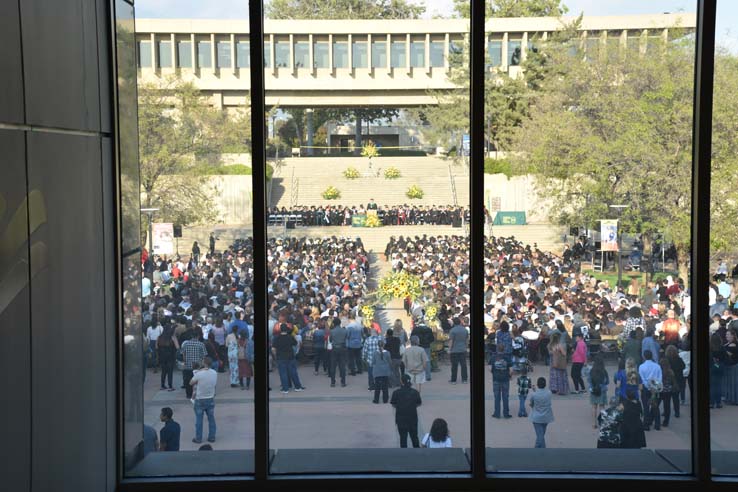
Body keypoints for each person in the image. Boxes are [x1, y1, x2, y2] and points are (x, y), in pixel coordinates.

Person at [189, 357, 217, 444]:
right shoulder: (214, 373)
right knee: (211, 419)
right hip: (210, 398)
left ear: (204, 363)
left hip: (200, 399)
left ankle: (198, 438)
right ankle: (212, 437)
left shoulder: (199, 374)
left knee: (199, 420)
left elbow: (191, 383)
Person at [390, 374, 422, 448]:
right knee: (414, 437)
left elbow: (393, 404)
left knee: (403, 438)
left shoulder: (396, 392)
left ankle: (404, 456)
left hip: (401, 419)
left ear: (401, 382)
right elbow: (419, 403)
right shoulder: (415, 392)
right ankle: (417, 453)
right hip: (413, 418)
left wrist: (401, 407)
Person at [272, 323, 305, 394]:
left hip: (281, 357)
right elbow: (296, 344)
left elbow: (273, 349)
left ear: (280, 330)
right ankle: (298, 387)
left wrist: (275, 356)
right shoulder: (290, 337)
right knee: (293, 372)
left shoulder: (277, 338)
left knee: (283, 373)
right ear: (286, 329)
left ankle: (285, 388)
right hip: (290, 357)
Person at [639, 350, 662, 431]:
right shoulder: (657, 366)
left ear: (644, 356)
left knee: (646, 407)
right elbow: (659, 378)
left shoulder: (641, 366)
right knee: (655, 406)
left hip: (646, 388)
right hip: (655, 388)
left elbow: (642, 379)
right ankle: (657, 424)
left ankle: (646, 424)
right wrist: (655, 386)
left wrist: (648, 385)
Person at [528, 377, 554, 448]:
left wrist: (534, 391)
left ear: (537, 384)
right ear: (545, 385)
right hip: (546, 417)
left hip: (536, 417)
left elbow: (531, 404)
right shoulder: (549, 393)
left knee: (540, 436)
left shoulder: (534, 394)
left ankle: (541, 451)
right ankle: (537, 448)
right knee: (541, 435)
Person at [181, 334, 206, 399]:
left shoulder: (186, 344)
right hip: (198, 366)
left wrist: (185, 361)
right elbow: (204, 356)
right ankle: (198, 394)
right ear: (198, 336)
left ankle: (188, 394)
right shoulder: (201, 344)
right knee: (199, 381)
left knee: (188, 381)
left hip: (188, 366)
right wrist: (203, 365)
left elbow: (183, 354)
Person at [492, 344, 513, 419]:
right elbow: (511, 370)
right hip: (505, 379)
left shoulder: (493, 357)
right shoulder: (507, 357)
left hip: (496, 379)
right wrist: (510, 376)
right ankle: (506, 414)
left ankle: (497, 413)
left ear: (497, 349)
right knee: (505, 397)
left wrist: (494, 372)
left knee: (497, 397)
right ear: (504, 349)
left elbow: (489, 368)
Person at [588, 354, 609, 429]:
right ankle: (603, 423)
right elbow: (607, 382)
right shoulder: (604, 371)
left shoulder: (591, 371)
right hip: (602, 391)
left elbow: (589, 381)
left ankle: (594, 423)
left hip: (593, 391)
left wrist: (591, 387)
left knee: (594, 407)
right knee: (602, 407)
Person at [665, 345, 685, 418]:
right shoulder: (679, 359)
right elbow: (684, 366)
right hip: (678, 381)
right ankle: (677, 412)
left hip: (669, 381)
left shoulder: (666, 360)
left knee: (667, 399)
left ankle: (666, 412)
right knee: (676, 398)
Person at [157, 325, 179, 391]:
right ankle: (170, 386)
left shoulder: (159, 337)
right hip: (170, 356)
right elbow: (177, 347)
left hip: (162, 356)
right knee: (170, 372)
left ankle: (162, 385)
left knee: (163, 371)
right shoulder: (172, 337)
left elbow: (156, 347)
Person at [548, 331, 570, 395]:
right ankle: (561, 390)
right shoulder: (559, 345)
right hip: (559, 363)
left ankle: (554, 388)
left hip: (553, 363)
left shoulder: (549, 345)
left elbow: (550, 353)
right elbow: (564, 354)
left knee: (554, 376)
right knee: (561, 376)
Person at [448, 317, 469, 384]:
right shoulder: (465, 330)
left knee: (454, 365)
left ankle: (453, 380)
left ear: (454, 322)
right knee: (463, 365)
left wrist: (449, 349)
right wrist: (466, 347)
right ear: (460, 322)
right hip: (463, 349)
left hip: (454, 350)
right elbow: (467, 340)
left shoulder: (452, 330)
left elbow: (451, 341)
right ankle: (464, 379)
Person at [329, 317, 348, 388]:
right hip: (342, 348)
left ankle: (332, 382)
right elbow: (346, 338)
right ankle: (343, 382)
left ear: (334, 323)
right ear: (340, 323)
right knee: (342, 366)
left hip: (334, 349)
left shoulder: (332, 331)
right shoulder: (344, 330)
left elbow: (330, 340)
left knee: (333, 366)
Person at [371, 339, 392, 404]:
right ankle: (385, 399)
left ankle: (376, 400)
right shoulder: (388, 353)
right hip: (385, 371)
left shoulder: (374, 353)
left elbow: (373, 362)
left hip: (377, 371)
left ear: (377, 345)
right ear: (384, 345)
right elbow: (390, 362)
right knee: (385, 386)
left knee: (377, 387)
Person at [659, 358, 678, 427]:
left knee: (655, 405)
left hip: (660, 390)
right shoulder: (670, 371)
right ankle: (666, 422)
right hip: (668, 391)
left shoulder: (660, 371)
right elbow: (673, 382)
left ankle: (652, 419)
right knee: (667, 407)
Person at [710, 333, 726, 408]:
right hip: (720, 367)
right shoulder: (722, 347)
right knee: (719, 385)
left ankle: (711, 402)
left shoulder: (710, 348)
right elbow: (724, 358)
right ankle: (718, 402)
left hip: (712, 367)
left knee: (712, 386)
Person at [723, 328, 738, 405]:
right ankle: (730, 398)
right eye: (726, 334)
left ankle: (733, 400)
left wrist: (722, 350)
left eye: (728, 334)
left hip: (733, 366)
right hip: (729, 366)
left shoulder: (733, 344)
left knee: (733, 383)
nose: (726, 336)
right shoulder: (728, 344)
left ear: (733, 336)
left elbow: (728, 354)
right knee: (729, 383)